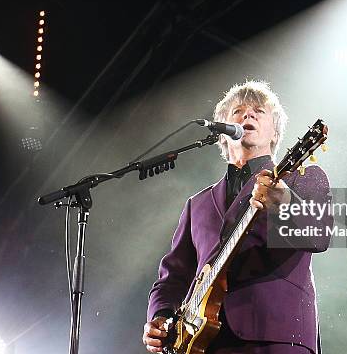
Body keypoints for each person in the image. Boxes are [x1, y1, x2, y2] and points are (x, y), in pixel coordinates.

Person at [142, 80, 333, 353]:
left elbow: (320, 235)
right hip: (205, 342)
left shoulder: (301, 179)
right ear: (222, 132)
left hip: (275, 338)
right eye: (238, 111)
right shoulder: (197, 204)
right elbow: (173, 276)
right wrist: (160, 316)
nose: (248, 115)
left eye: (259, 111)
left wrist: (285, 202)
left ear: (275, 132)